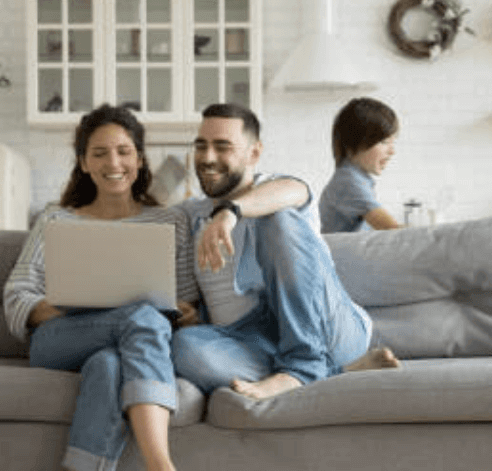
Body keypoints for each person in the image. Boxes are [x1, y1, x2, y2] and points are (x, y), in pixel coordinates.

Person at [3, 104, 210, 471]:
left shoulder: (169, 221)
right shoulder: (56, 220)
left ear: (139, 159)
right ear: (83, 161)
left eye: (123, 152)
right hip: (59, 338)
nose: (113, 163)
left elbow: (184, 298)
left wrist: (187, 310)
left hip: (123, 347)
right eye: (100, 153)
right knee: (139, 317)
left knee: (109, 367)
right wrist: (74, 304)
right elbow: (18, 293)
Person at [171, 103, 400, 402]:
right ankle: (335, 370)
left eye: (222, 146)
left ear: (254, 153)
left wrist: (230, 212)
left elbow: (293, 192)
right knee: (184, 347)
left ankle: (303, 366)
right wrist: (189, 313)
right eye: (201, 146)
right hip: (250, 339)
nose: (208, 157)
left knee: (279, 217)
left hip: (324, 324)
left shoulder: (279, 188)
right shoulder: (189, 215)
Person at [319, 97, 403, 233]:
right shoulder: (349, 181)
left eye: (393, 142)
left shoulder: (355, 178)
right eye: (384, 142)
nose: (392, 151)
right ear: (355, 143)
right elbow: (393, 231)